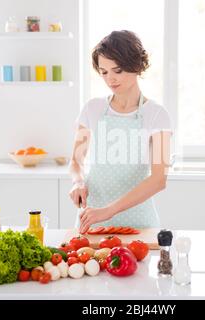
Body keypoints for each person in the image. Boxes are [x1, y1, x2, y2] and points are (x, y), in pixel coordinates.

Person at [69, 30, 172, 234]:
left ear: (136, 66)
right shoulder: (92, 109)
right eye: (104, 72)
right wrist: (78, 182)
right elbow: (76, 160)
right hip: (93, 220)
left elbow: (159, 179)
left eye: (117, 70)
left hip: (140, 224)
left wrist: (108, 211)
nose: (110, 79)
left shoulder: (157, 115)